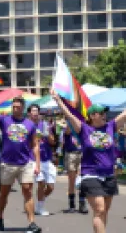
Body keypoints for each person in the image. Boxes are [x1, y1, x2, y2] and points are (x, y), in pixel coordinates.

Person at [51, 89, 126, 233]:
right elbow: (69, 115)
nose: (105, 115)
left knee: (104, 212)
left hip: (109, 175)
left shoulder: (111, 126)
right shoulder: (84, 129)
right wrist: (58, 100)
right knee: (99, 209)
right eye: (101, 113)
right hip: (90, 174)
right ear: (92, 116)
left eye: (105, 113)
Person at [0, 94, 42, 233]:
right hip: (7, 163)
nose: (15, 109)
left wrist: (37, 164)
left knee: (27, 191)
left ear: (23, 108)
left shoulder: (30, 124)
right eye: (14, 107)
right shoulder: (4, 120)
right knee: (4, 193)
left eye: (18, 107)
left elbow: (35, 145)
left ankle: (32, 223)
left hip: (25, 163)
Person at [27, 104, 57, 216]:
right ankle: (40, 208)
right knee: (41, 183)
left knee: (50, 187)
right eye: (33, 111)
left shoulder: (44, 125)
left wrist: (47, 134)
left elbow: (53, 142)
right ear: (29, 113)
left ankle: (38, 201)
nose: (35, 113)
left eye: (37, 111)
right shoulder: (27, 125)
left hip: (46, 159)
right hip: (33, 159)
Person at [62, 124, 88, 214]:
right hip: (71, 154)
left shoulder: (83, 129)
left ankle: (82, 203)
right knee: (72, 180)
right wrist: (71, 118)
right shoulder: (69, 129)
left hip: (82, 154)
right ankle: (72, 204)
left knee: (82, 179)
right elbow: (67, 130)